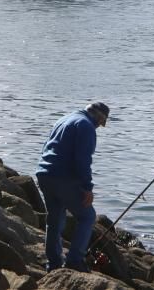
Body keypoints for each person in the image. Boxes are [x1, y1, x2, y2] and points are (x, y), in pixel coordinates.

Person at [35, 101, 110, 273]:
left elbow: (46, 146)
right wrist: (87, 188)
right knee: (88, 216)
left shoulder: (65, 119)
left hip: (44, 173)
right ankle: (74, 260)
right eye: (101, 123)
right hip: (63, 177)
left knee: (54, 218)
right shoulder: (86, 126)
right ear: (98, 117)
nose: (99, 126)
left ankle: (53, 264)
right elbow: (82, 160)